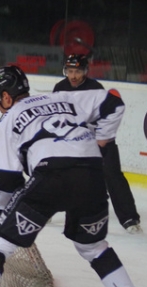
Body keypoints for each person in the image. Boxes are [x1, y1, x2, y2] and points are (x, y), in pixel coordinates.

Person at [0, 66, 147, 287]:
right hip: (92, 177)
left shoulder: (7, 122)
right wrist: (101, 140)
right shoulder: (64, 98)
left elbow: (8, 181)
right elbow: (113, 102)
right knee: (93, 247)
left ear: (7, 97)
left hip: (51, 178)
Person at [53, 54, 142, 234]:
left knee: (112, 175)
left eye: (77, 71)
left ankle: (129, 218)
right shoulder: (59, 88)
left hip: (101, 141)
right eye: (70, 71)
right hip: (74, 142)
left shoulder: (96, 88)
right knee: (58, 174)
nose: (73, 75)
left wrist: (102, 137)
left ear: (85, 71)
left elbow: (108, 114)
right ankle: (47, 209)